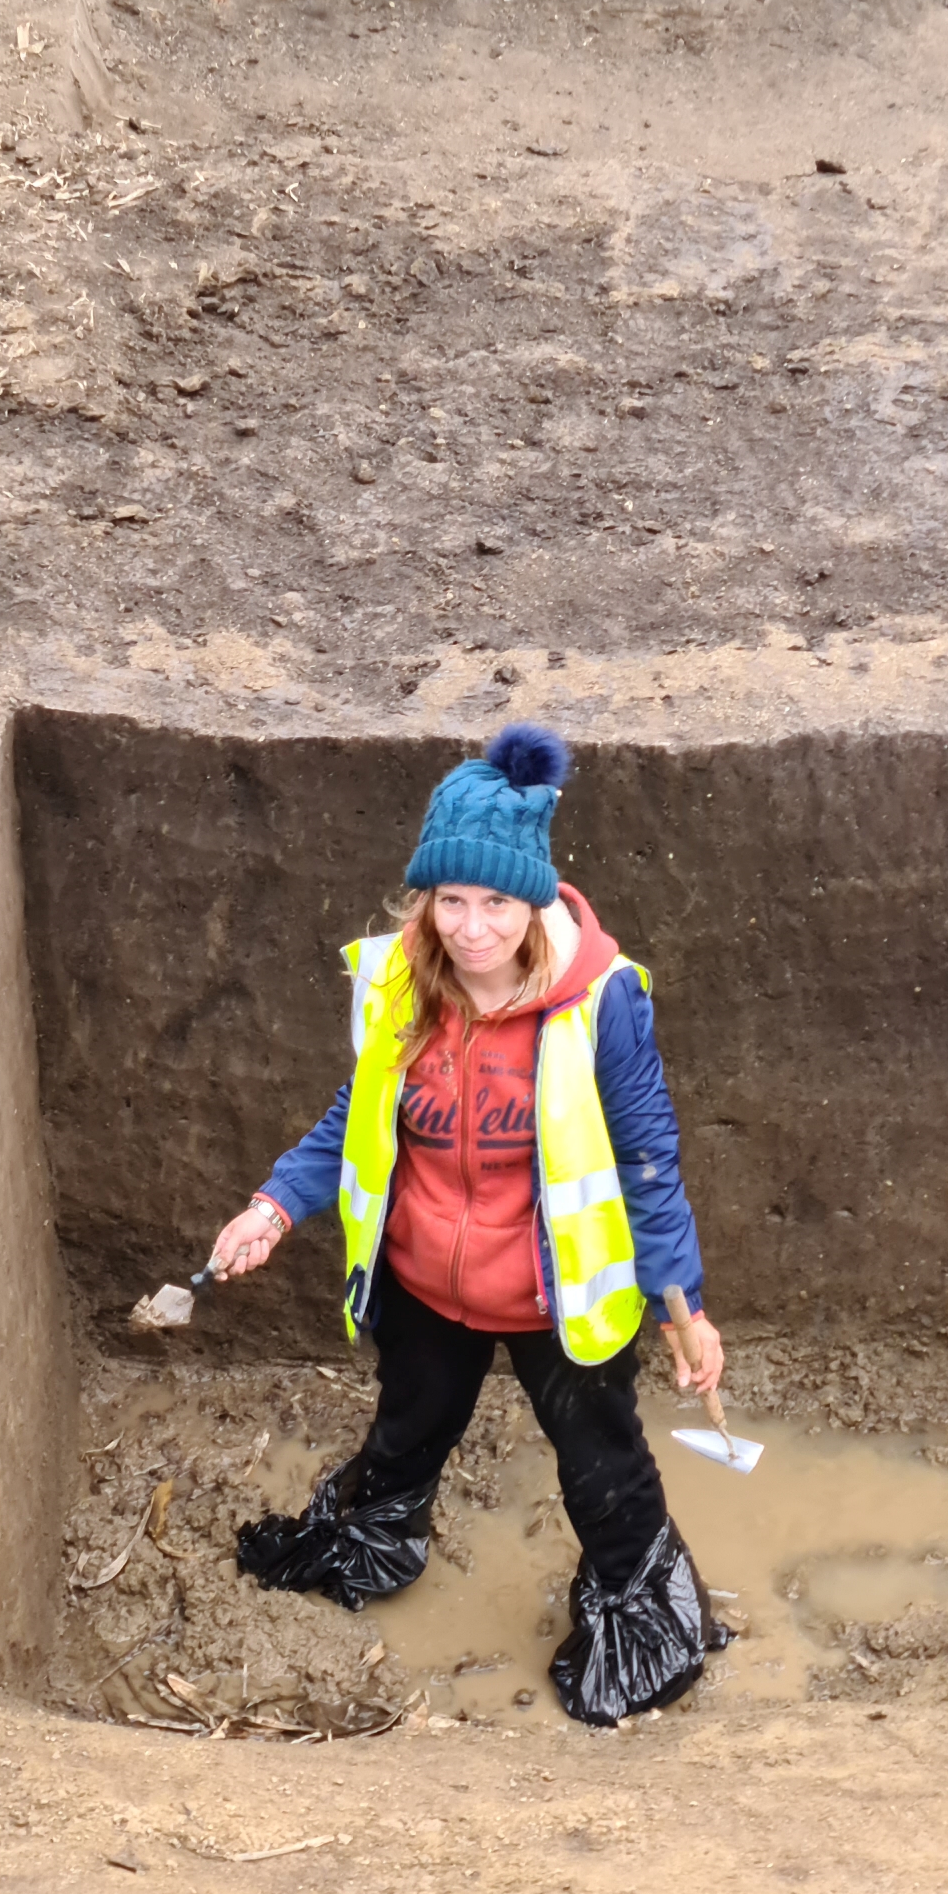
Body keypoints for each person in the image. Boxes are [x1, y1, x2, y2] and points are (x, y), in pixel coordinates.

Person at [206, 724, 732, 1729]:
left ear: (531, 899)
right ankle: (378, 1539)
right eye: (451, 900)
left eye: (495, 901)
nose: (472, 927)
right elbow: (352, 1121)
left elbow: (647, 1160)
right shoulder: (400, 986)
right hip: (424, 1287)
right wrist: (272, 1207)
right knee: (406, 1431)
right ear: (426, 899)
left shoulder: (598, 1008)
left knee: (603, 1471)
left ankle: (640, 1617)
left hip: (555, 1299)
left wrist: (684, 1308)